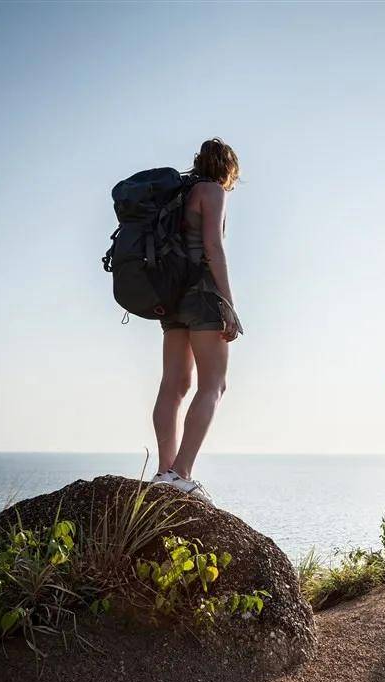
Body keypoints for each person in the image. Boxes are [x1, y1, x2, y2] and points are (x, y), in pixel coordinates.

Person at [151, 138, 244, 501]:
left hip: (171, 296)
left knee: (173, 385)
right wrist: (229, 303)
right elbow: (213, 247)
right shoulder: (212, 191)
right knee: (214, 384)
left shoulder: (178, 194)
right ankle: (182, 472)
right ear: (227, 168)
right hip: (202, 294)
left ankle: (164, 471)